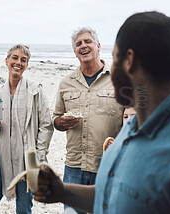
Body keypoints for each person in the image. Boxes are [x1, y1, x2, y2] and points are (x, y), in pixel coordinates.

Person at [34, 11, 170, 213]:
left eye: (114, 58)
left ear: (130, 61)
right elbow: (112, 196)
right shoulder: (130, 128)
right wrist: (63, 192)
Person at [52, 27, 122, 213]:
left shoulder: (119, 80)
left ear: (98, 46)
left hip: (108, 165)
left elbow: (130, 121)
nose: (83, 46)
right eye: (78, 44)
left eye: (87, 41)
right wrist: (61, 122)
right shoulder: (66, 83)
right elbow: (55, 119)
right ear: (75, 52)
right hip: (74, 166)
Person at [0, 44, 54, 214]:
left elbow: (46, 125)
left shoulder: (35, 91)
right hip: (0, 161)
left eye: (23, 60)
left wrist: (38, 157)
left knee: (23, 210)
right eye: (15, 58)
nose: (18, 62)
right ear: (7, 60)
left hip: (26, 162)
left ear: (26, 65)